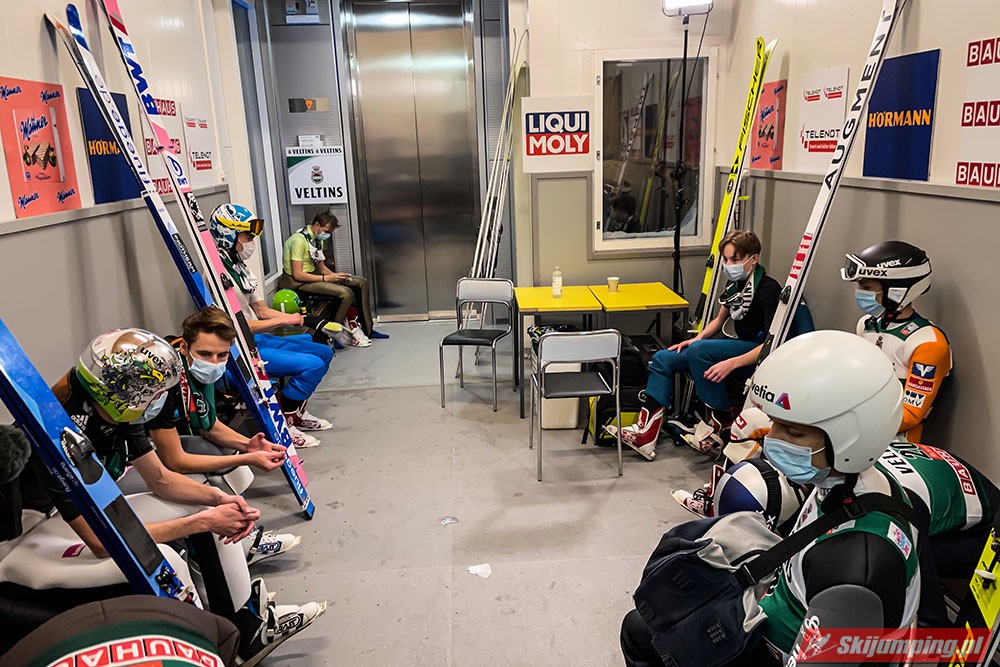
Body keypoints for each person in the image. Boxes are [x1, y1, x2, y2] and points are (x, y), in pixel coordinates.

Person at [4, 328, 325, 663]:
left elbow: (160, 479)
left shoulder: (118, 408)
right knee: (167, 561)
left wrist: (218, 501)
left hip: (71, 514)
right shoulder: (53, 432)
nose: (158, 400)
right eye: (154, 393)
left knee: (202, 500)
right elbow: (100, 541)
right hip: (29, 536)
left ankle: (246, 628)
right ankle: (201, 649)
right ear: (124, 391)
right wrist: (201, 522)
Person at [620, 330, 920, 666]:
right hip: (784, 607)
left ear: (852, 437)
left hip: (780, 647)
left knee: (644, 633)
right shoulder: (855, 482)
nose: (772, 439)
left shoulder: (853, 570)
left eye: (793, 431)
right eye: (775, 424)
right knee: (644, 624)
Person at [144, 307, 301, 565]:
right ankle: (238, 546)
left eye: (222, 355)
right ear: (184, 347)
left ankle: (240, 540)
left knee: (223, 454)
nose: (214, 362)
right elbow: (175, 460)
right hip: (133, 459)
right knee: (210, 461)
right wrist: (246, 458)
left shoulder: (196, 369)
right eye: (205, 354)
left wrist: (248, 445)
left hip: (158, 447)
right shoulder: (165, 381)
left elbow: (209, 425)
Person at [606, 230, 780, 460]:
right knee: (664, 358)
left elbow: (772, 344)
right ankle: (645, 435)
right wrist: (696, 339)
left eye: (735, 260)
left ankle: (719, 424)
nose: (729, 265)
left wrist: (731, 364)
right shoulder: (736, 284)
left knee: (699, 352)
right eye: (726, 260)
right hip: (735, 345)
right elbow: (719, 320)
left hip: (755, 352)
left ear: (753, 259)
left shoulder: (769, 290)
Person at [210, 203, 334, 443]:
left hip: (255, 340)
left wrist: (303, 319)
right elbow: (235, 327)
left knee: (324, 352)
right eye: (247, 237)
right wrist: (291, 319)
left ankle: (295, 413)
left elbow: (261, 310)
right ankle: (284, 421)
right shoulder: (217, 276)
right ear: (228, 235)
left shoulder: (239, 268)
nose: (252, 243)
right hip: (237, 351)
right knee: (312, 365)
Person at [842, 240, 952, 443]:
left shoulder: (928, 343)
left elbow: (909, 415)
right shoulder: (866, 325)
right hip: (856, 432)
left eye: (866, 287)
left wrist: (841, 421)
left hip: (896, 443)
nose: (860, 293)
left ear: (897, 290)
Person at [278, 209, 387, 345]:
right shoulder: (298, 241)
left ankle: (367, 329)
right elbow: (298, 274)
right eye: (326, 231)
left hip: (312, 275)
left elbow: (322, 268)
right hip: (296, 282)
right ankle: (336, 334)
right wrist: (326, 279)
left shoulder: (316, 240)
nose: (328, 235)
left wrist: (336, 276)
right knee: (346, 293)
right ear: (316, 225)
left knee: (361, 282)